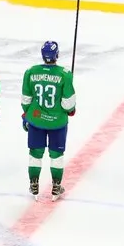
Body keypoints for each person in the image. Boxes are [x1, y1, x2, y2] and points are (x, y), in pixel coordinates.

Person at [22, 40, 77, 199]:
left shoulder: (31, 72)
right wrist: (71, 110)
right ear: (57, 55)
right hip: (57, 122)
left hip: (36, 120)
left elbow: (26, 99)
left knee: (35, 153)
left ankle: (34, 184)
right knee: (56, 154)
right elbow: (68, 104)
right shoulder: (65, 74)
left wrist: (26, 115)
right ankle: (56, 186)